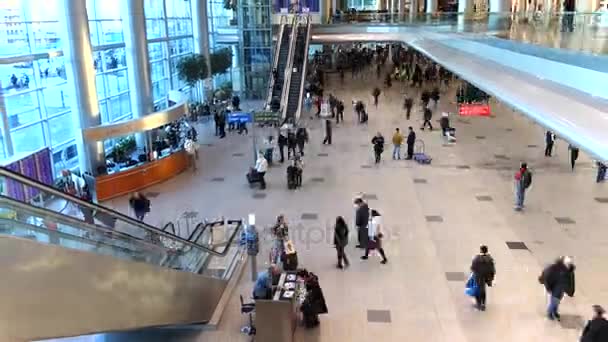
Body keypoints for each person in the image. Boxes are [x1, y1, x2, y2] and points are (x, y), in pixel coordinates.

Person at [539, 256, 576, 321]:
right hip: (555, 289)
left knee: (557, 302)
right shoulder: (555, 269)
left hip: (560, 289)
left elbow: (571, 282)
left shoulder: (568, 271)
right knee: (554, 302)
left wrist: (570, 291)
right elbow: (546, 275)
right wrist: (548, 287)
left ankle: (554, 312)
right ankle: (550, 313)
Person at [470, 245, 496, 311]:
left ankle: (478, 303)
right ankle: (483, 304)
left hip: (479, 276)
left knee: (477, 289)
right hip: (486, 276)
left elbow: (473, 267)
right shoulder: (490, 258)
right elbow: (492, 269)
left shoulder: (477, 258)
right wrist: (491, 277)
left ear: (481, 250)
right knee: (483, 289)